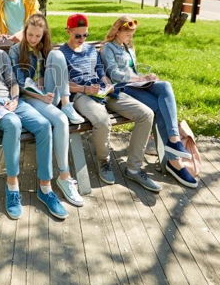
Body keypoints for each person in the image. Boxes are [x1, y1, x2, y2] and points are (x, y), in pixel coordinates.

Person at [0, 16, 68, 220]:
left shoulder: (1, 56)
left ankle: (45, 188)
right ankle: (12, 187)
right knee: (13, 124)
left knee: (43, 125)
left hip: (9, 100)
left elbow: (12, 81)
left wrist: (14, 98)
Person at [58, 14, 159, 191]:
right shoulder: (60, 54)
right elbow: (60, 84)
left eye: (85, 35)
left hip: (104, 91)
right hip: (82, 95)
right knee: (103, 120)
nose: (82, 39)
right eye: (78, 35)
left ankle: (134, 169)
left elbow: (100, 71)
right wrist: (84, 90)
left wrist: (106, 83)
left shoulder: (90, 50)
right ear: (68, 31)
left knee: (146, 114)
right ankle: (103, 160)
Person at [101, 16, 198, 189]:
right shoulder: (108, 48)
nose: (131, 37)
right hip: (124, 88)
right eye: (128, 33)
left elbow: (134, 68)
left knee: (165, 86)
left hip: (138, 85)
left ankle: (174, 143)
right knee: (160, 108)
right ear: (117, 31)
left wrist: (148, 78)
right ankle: (175, 161)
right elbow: (114, 74)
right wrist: (140, 78)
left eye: (132, 34)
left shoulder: (128, 47)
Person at [8, 14, 85, 207]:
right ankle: (64, 176)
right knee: (60, 120)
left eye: (38, 36)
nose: (34, 39)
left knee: (58, 54)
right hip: (30, 97)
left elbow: (55, 75)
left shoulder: (46, 50)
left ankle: (67, 104)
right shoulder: (15, 51)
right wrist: (39, 94)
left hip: (50, 95)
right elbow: (18, 83)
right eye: (30, 35)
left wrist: (45, 86)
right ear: (25, 32)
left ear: (44, 35)